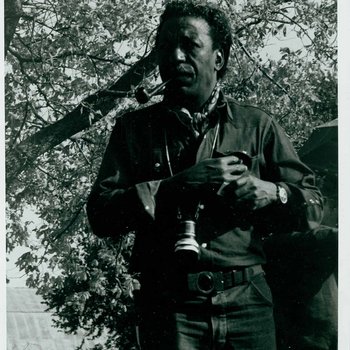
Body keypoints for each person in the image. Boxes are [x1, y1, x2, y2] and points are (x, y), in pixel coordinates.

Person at [87, 1, 323, 349]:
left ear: (219, 58)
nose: (175, 56)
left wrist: (275, 193)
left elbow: (316, 205)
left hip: (249, 305)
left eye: (189, 45)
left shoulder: (258, 125)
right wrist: (173, 188)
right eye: (165, 47)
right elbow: (100, 215)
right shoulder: (133, 130)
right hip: (168, 307)